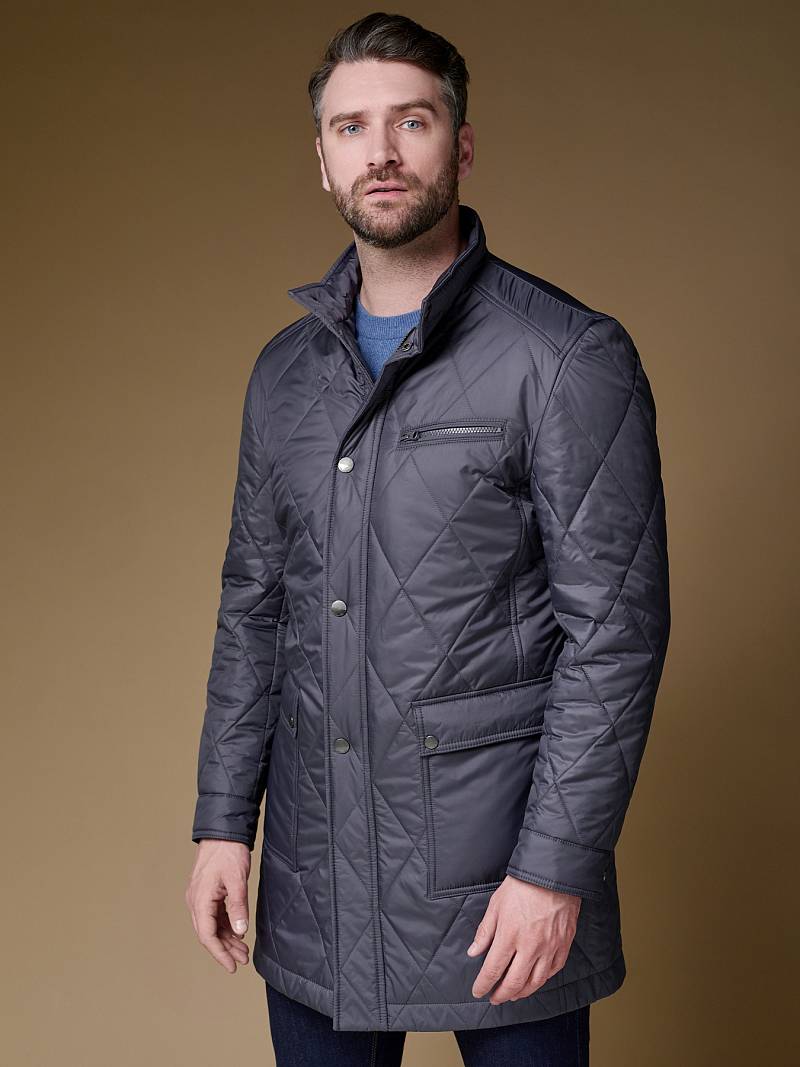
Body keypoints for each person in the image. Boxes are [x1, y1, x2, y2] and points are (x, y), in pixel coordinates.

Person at [185, 12, 671, 1066]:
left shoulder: (565, 356)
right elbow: (253, 609)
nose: (382, 151)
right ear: (322, 160)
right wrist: (223, 822)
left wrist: (552, 868)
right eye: (351, 127)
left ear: (461, 143)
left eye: (411, 121)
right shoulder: (284, 376)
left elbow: (615, 636)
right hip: (315, 885)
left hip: (500, 889)